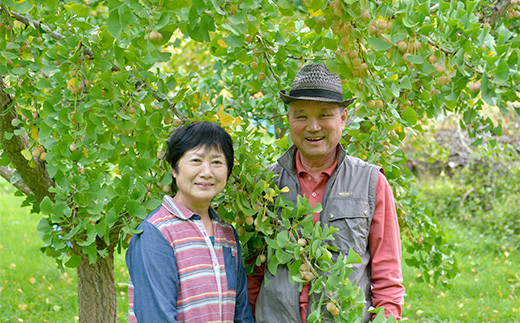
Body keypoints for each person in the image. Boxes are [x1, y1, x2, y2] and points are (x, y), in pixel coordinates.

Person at [247, 63, 405, 322]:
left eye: (324, 115)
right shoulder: (265, 184)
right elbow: (253, 274)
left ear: (343, 119)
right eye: (301, 116)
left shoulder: (371, 183)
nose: (313, 127)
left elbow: (387, 278)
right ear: (288, 119)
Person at [126, 121, 254, 323]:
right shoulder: (156, 233)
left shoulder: (227, 234)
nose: (207, 172)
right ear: (174, 169)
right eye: (196, 160)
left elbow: (241, 312)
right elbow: (156, 318)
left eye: (217, 162)